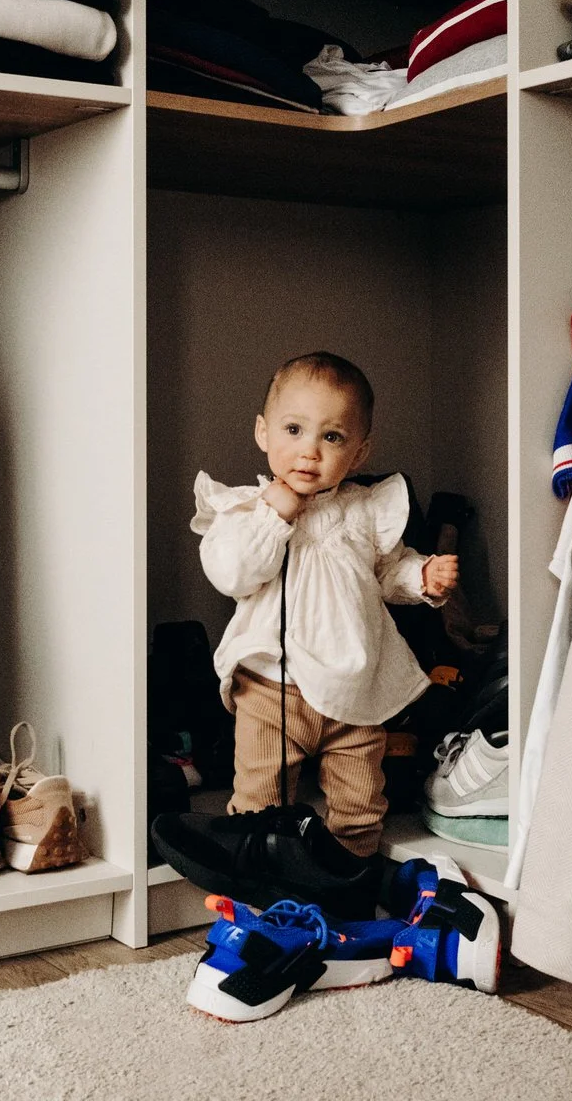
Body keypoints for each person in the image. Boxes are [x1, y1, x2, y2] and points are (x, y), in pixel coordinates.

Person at [192, 351, 458, 856]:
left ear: (357, 453)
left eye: (331, 437)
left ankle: (348, 879)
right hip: (274, 690)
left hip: (356, 690)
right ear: (263, 433)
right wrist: (275, 515)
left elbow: (385, 573)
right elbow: (231, 574)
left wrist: (420, 576)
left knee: (360, 803)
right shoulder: (247, 510)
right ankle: (256, 888)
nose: (309, 451)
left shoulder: (363, 510)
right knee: (260, 799)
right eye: (294, 429)